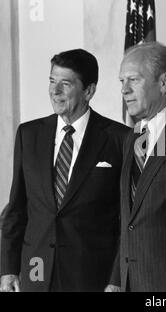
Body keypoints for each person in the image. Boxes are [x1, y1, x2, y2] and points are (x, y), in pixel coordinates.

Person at [0, 49, 129, 292]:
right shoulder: (28, 134)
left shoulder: (119, 139)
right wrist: (7, 268)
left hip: (91, 277)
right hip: (35, 271)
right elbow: (17, 208)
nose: (55, 91)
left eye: (65, 84)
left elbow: (125, 221)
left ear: (89, 91)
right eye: (51, 81)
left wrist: (116, 279)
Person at [107, 42, 166, 292]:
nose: (124, 90)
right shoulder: (133, 137)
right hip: (129, 281)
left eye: (133, 80)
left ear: (164, 82)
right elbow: (129, 220)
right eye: (121, 81)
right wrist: (117, 279)